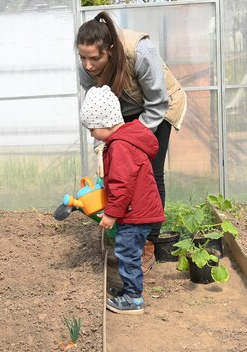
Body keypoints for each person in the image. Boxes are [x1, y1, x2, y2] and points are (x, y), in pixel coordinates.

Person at [75, 11, 186, 274]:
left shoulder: (140, 52)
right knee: (118, 170)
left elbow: (157, 103)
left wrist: (131, 139)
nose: (88, 65)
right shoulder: (87, 68)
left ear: (111, 50)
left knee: (149, 170)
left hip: (158, 107)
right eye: (83, 57)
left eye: (95, 58)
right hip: (121, 113)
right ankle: (128, 234)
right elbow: (97, 108)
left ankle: (148, 241)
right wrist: (103, 146)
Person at [79, 85, 165, 315]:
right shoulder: (126, 140)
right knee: (129, 252)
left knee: (127, 253)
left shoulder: (120, 147)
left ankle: (134, 299)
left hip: (135, 213)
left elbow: (121, 184)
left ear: (105, 122)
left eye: (92, 129)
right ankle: (129, 290)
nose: (91, 135)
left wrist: (111, 214)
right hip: (138, 210)